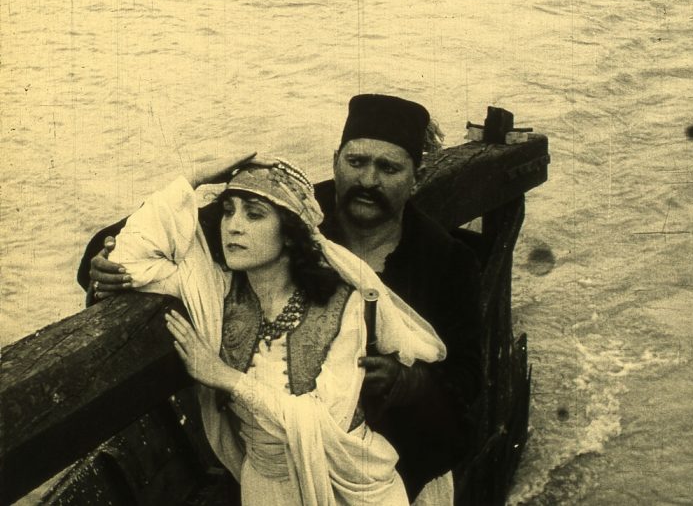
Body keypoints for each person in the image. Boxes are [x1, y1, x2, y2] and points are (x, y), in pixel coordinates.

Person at [78, 95, 483, 504]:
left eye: (388, 168)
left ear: (417, 176)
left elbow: (467, 378)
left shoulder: (447, 261)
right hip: (276, 468)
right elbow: (151, 235)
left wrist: (405, 381)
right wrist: (103, 262)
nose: (368, 180)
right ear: (335, 161)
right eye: (356, 162)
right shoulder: (288, 211)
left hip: (395, 463)